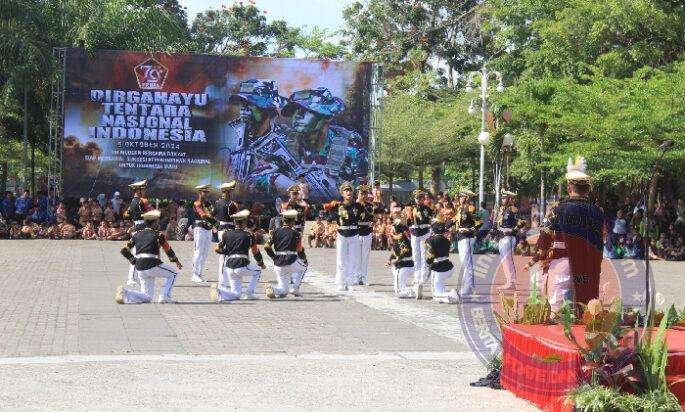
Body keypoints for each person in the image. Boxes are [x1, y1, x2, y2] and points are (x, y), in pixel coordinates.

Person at [542, 157, 604, 311]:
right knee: (587, 310)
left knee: (558, 311)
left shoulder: (558, 209)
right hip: (588, 268)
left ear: (569, 188)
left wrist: (542, 256)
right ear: (587, 189)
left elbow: (545, 236)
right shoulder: (597, 211)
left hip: (563, 264)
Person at [115, 210, 182, 304]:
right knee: (173, 274)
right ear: (154, 223)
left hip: (140, 267)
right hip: (152, 263)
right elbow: (168, 249)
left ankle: (125, 293)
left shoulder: (136, 235)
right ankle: (165, 296)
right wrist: (176, 261)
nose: (158, 224)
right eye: (157, 222)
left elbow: (124, 250)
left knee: (148, 297)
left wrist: (134, 261)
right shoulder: (159, 235)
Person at [210, 209, 265, 302]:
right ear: (244, 222)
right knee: (258, 271)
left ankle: (219, 292)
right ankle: (249, 293)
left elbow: (217, 248)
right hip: (241, 264)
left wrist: (227, 252)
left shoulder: (226, 233)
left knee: (236, 294)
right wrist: (261, 263)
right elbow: (255, 251)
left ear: (235, 223)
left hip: (229, 266)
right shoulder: (249, 235)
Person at [325, 181, 362, 291]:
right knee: (341, 259)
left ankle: (350, 282)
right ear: (342, 193)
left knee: (353, 259)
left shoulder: (358, 206)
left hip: (354, 234)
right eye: (346, 191)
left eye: (350, 190)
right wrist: (330, 208)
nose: (348, 192)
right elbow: (329, 217)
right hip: (342, 234)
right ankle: (341, 281)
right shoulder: (337, 206)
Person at [264, 209, 308, 298]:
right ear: (293, 221)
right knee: (304, 267)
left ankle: (272, 289)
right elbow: (299, 250)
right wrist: (304, 260)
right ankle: (295, 288)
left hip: (278, 263)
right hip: (291, 260)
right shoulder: (296, 233)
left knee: (284, 291)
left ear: (283, 220)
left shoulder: (274, 232)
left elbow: (266, 246)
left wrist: (274, 257)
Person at [123, 180, 154, 287]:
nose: (145, 191)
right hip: (140, 228)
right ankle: (131, 278)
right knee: (137, 254)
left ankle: (139, 276)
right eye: (143, 189)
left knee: (141, 253)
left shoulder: (134, 201)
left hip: (139, 227)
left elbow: (128, 215)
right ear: (138, 190)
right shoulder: (140, 202)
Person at [494, 190, 526, 291]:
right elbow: (498, 223)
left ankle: (511, 282)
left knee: (508, 260)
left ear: (509, 199)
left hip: (508, 237)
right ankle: (509, 281)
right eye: (502, 198)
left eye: (505, 198)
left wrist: (513, 229)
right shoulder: (502, 209)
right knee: (504, 260)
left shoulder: (513, 209)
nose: (503, 200)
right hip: (501, 236)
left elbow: (523, 222)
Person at [425, 218, 460, 303]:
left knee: (435, 295)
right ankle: (449, 297)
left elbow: (430, 256)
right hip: (449, 267)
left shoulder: (430, 240)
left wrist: (428, 265)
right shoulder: (447, 240)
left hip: (438, 268)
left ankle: (452, 294)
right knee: (439, 296)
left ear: (433, 230)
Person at [454, 188, 480, 297]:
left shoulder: (470, 208)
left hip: (467, 237)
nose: (460, 198)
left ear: (467, 197)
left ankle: (468, 287)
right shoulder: (460, 208)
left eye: (462, 197)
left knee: (467, 263)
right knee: (465, 263)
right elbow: (457, 222)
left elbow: (479, 222)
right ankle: (469, 286)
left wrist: (468, 229)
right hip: (461, 237)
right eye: (460, 197)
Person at [214, 181, 239, 285]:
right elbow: (236, 218)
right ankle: (223, 280)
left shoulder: (217, 203)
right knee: (226, 255)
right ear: (227, 192)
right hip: (229, 229)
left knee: (224, 254)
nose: (231, 193)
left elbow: (214, 215)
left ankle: (224, 278)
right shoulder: (231, 204)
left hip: (221, 229)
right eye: (230, 191)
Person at [409, 190, 433, 295]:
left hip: (424, 233)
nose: (418, 200)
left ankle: (423, 276)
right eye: (417, 198)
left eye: (420, 198)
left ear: (423, 199)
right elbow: (407, 221)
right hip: (414, 233)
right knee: (415, 255)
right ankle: (416, 276)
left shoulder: (427, 209)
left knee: (423, 255)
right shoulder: (411, 208)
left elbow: (429, 220)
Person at [385, 219, 415, 298]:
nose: (392, 229)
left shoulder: (401, 239)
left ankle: (413, 291)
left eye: (394, 228)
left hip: (404, 266)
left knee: (398, 293)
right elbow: (396, 253)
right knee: (399, 287)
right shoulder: (399, 238)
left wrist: (396, 260)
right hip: (406, 265)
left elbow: (404, 252)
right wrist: (389, 260)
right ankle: (406, 288)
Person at [355, 184, 375, 285]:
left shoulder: (370, 206)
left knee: (365, 256)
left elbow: (372, 220)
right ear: (357, 194)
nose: (363, 195)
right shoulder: (354, 206)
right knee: (357, 256)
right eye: (361, 193)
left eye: (365, 193)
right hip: (357, 233)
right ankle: (356, 276)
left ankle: (364, 277)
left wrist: (372, 224)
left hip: (367, 233)